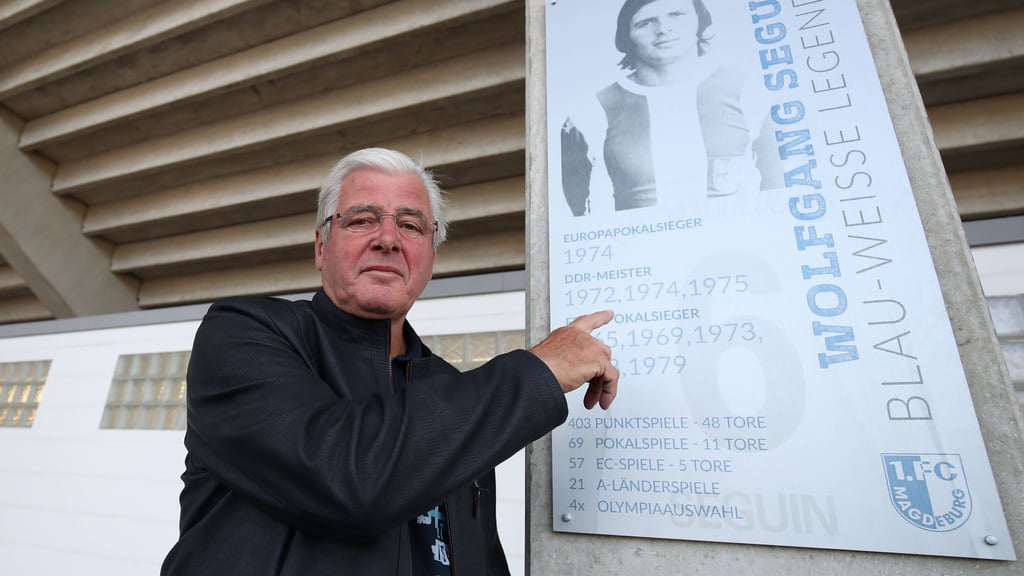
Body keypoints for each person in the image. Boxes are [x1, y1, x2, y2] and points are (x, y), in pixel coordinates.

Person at [160, 147, 619, 575]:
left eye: (412, 226)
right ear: (321, 246)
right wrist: (537, 371)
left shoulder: (456, 390)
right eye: (362, 220)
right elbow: (350, 480)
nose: (388, 239)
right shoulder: (245, 333)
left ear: (430, 257)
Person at [561, 0, 761, 216]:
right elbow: (580, 211)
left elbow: (774, 182)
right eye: (646, 22)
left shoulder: (746, 88)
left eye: (676, 14)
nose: (664, 29)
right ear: (626, 35)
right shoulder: (589, 111)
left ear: (699, 20)